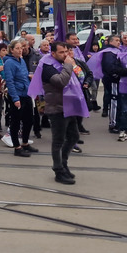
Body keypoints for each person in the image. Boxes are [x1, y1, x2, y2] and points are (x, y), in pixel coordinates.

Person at [40, 41, 84, 184]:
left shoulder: (64, 64)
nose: (65, 55)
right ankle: (58, 170)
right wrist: (69, 65)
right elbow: (61, 81)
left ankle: (63, 163)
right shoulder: (48, 67)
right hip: (57, 108)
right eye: (61, 52)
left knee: (74, 136)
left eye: (66, 52)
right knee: (58, 140)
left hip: (69, 107)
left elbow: (79, 77)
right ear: (53, 54)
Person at [3, 38, 33, 157]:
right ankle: (17, 147)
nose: (20, 50)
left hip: (26, 94)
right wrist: (15, 99)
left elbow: (24, 76)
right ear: (11, 50)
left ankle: (25, 143)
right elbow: (10, 81)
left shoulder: (21, 61)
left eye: (21, 48)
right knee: (16, 122)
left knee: (29, 120)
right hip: (17, 95)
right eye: (17, 48)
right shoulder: (9, 62)